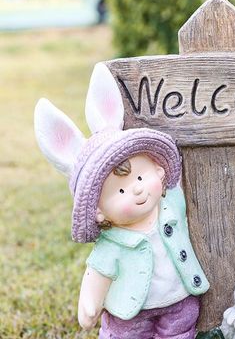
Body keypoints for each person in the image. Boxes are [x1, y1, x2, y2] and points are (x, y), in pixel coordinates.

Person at [34, 63, 209, 338]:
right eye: (120, 192)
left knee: (179, 332)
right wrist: (89, 306)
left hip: (180, 302)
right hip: (129, 314)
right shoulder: (112, 243)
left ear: (158, 171)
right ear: (99, 213)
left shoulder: (171, 204)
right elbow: (98, 273)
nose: (137, 191)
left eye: (140, 178)